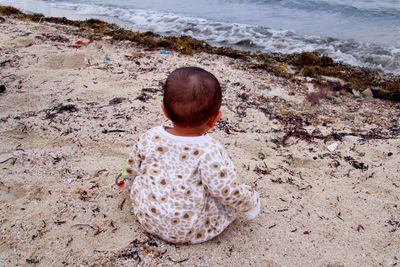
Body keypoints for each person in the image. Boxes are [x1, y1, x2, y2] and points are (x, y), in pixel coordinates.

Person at [121, 67, 260, 244]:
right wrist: (250, 200)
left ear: (164, 110)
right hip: (191, 229)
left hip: (148, 216)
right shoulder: (209, 150)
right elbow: (225, 190)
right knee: (224, 201)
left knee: (143, 177)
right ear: (215, 119)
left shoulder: (150, 136)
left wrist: (128, 183)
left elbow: (133, 166)